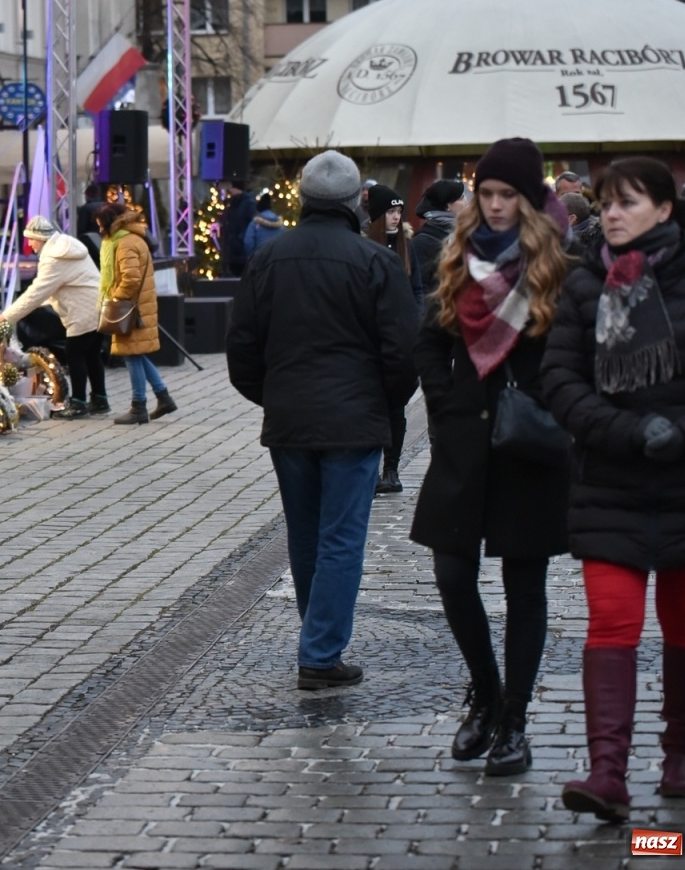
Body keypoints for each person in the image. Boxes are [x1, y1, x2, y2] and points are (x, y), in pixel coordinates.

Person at [542, 157, 685, 822]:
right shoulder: (585, 284)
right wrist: (626, 431)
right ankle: (607, 772)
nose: (611, 214)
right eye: (607, 203)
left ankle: (680, 754)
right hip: (610, 483)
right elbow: (560, 382)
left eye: (628, 202)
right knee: (612, 622)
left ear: (665, 209)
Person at [226, 150, 418, 689]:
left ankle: (318, 639)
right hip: (354, 418)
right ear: (357, 201)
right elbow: (403, 351)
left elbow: (242, 346)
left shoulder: (268, 258)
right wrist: (383, 402)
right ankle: (320, 649)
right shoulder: (376, 261)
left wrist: (273, 396)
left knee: (306, 534)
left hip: (291, 418)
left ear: (304, 198)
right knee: (341, 537)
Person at [410, 138, 571, 777]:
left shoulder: (558, 267)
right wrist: (445, 400)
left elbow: (578, 356)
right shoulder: (458, 258)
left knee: (525, 587)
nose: (497, 205)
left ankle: (514, 722)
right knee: (453, 574)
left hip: (530, 446)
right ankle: (485, 691)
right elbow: (428, 341)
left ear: (529, 200)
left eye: (508, 195)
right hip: (464, 443)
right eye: (488, 194)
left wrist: (550, 406)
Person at [0, 216, 106, 418]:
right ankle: (100, 399)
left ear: (41, 238)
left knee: (74, 353)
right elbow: (54, 290)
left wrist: (7, 316)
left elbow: (37, 293)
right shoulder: (68, 246)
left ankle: (78, 403)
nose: (30, 244)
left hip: (83, 310)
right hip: (97, 306)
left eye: (31, 239)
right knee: (92, 353)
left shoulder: (55, 258)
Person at [97, 203, 175, 424]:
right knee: (136, 353)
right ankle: (163, 397)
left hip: (131, 309)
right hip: (139, 306)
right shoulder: (132, 238)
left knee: (131, 355)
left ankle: (138, 406)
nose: (99, 229)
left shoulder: (124, 243)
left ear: (110, 223)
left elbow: (130, 278)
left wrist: (115, 297)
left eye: (101, 224)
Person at [365, 184, 421, 494]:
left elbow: (417, 289)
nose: (396, 217)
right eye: (390, 211)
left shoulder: (406, 247)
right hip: (372, 341)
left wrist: (415, 321)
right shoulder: (362, 247)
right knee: (373, 407)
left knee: (396, 407)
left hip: (401, 340)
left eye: (399, 211)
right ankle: (370, 470)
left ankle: (392, 469)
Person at [410, 180, 468, 298]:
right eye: (461, 198)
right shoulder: (423, 241)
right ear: (447, 206)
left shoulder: (463, 233)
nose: (466, 201)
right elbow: (418, 286)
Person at [218, 182, 258, 277]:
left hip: (241, 250)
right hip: (233, 251)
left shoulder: (248, 203)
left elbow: (253, 224)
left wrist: (242, 239)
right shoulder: (232, 203)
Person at [243, 192, 285, 258]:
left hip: (259, 258)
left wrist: (252, 257)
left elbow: (248, 242)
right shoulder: (280, 224)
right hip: (276, 258)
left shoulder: (254, 223)